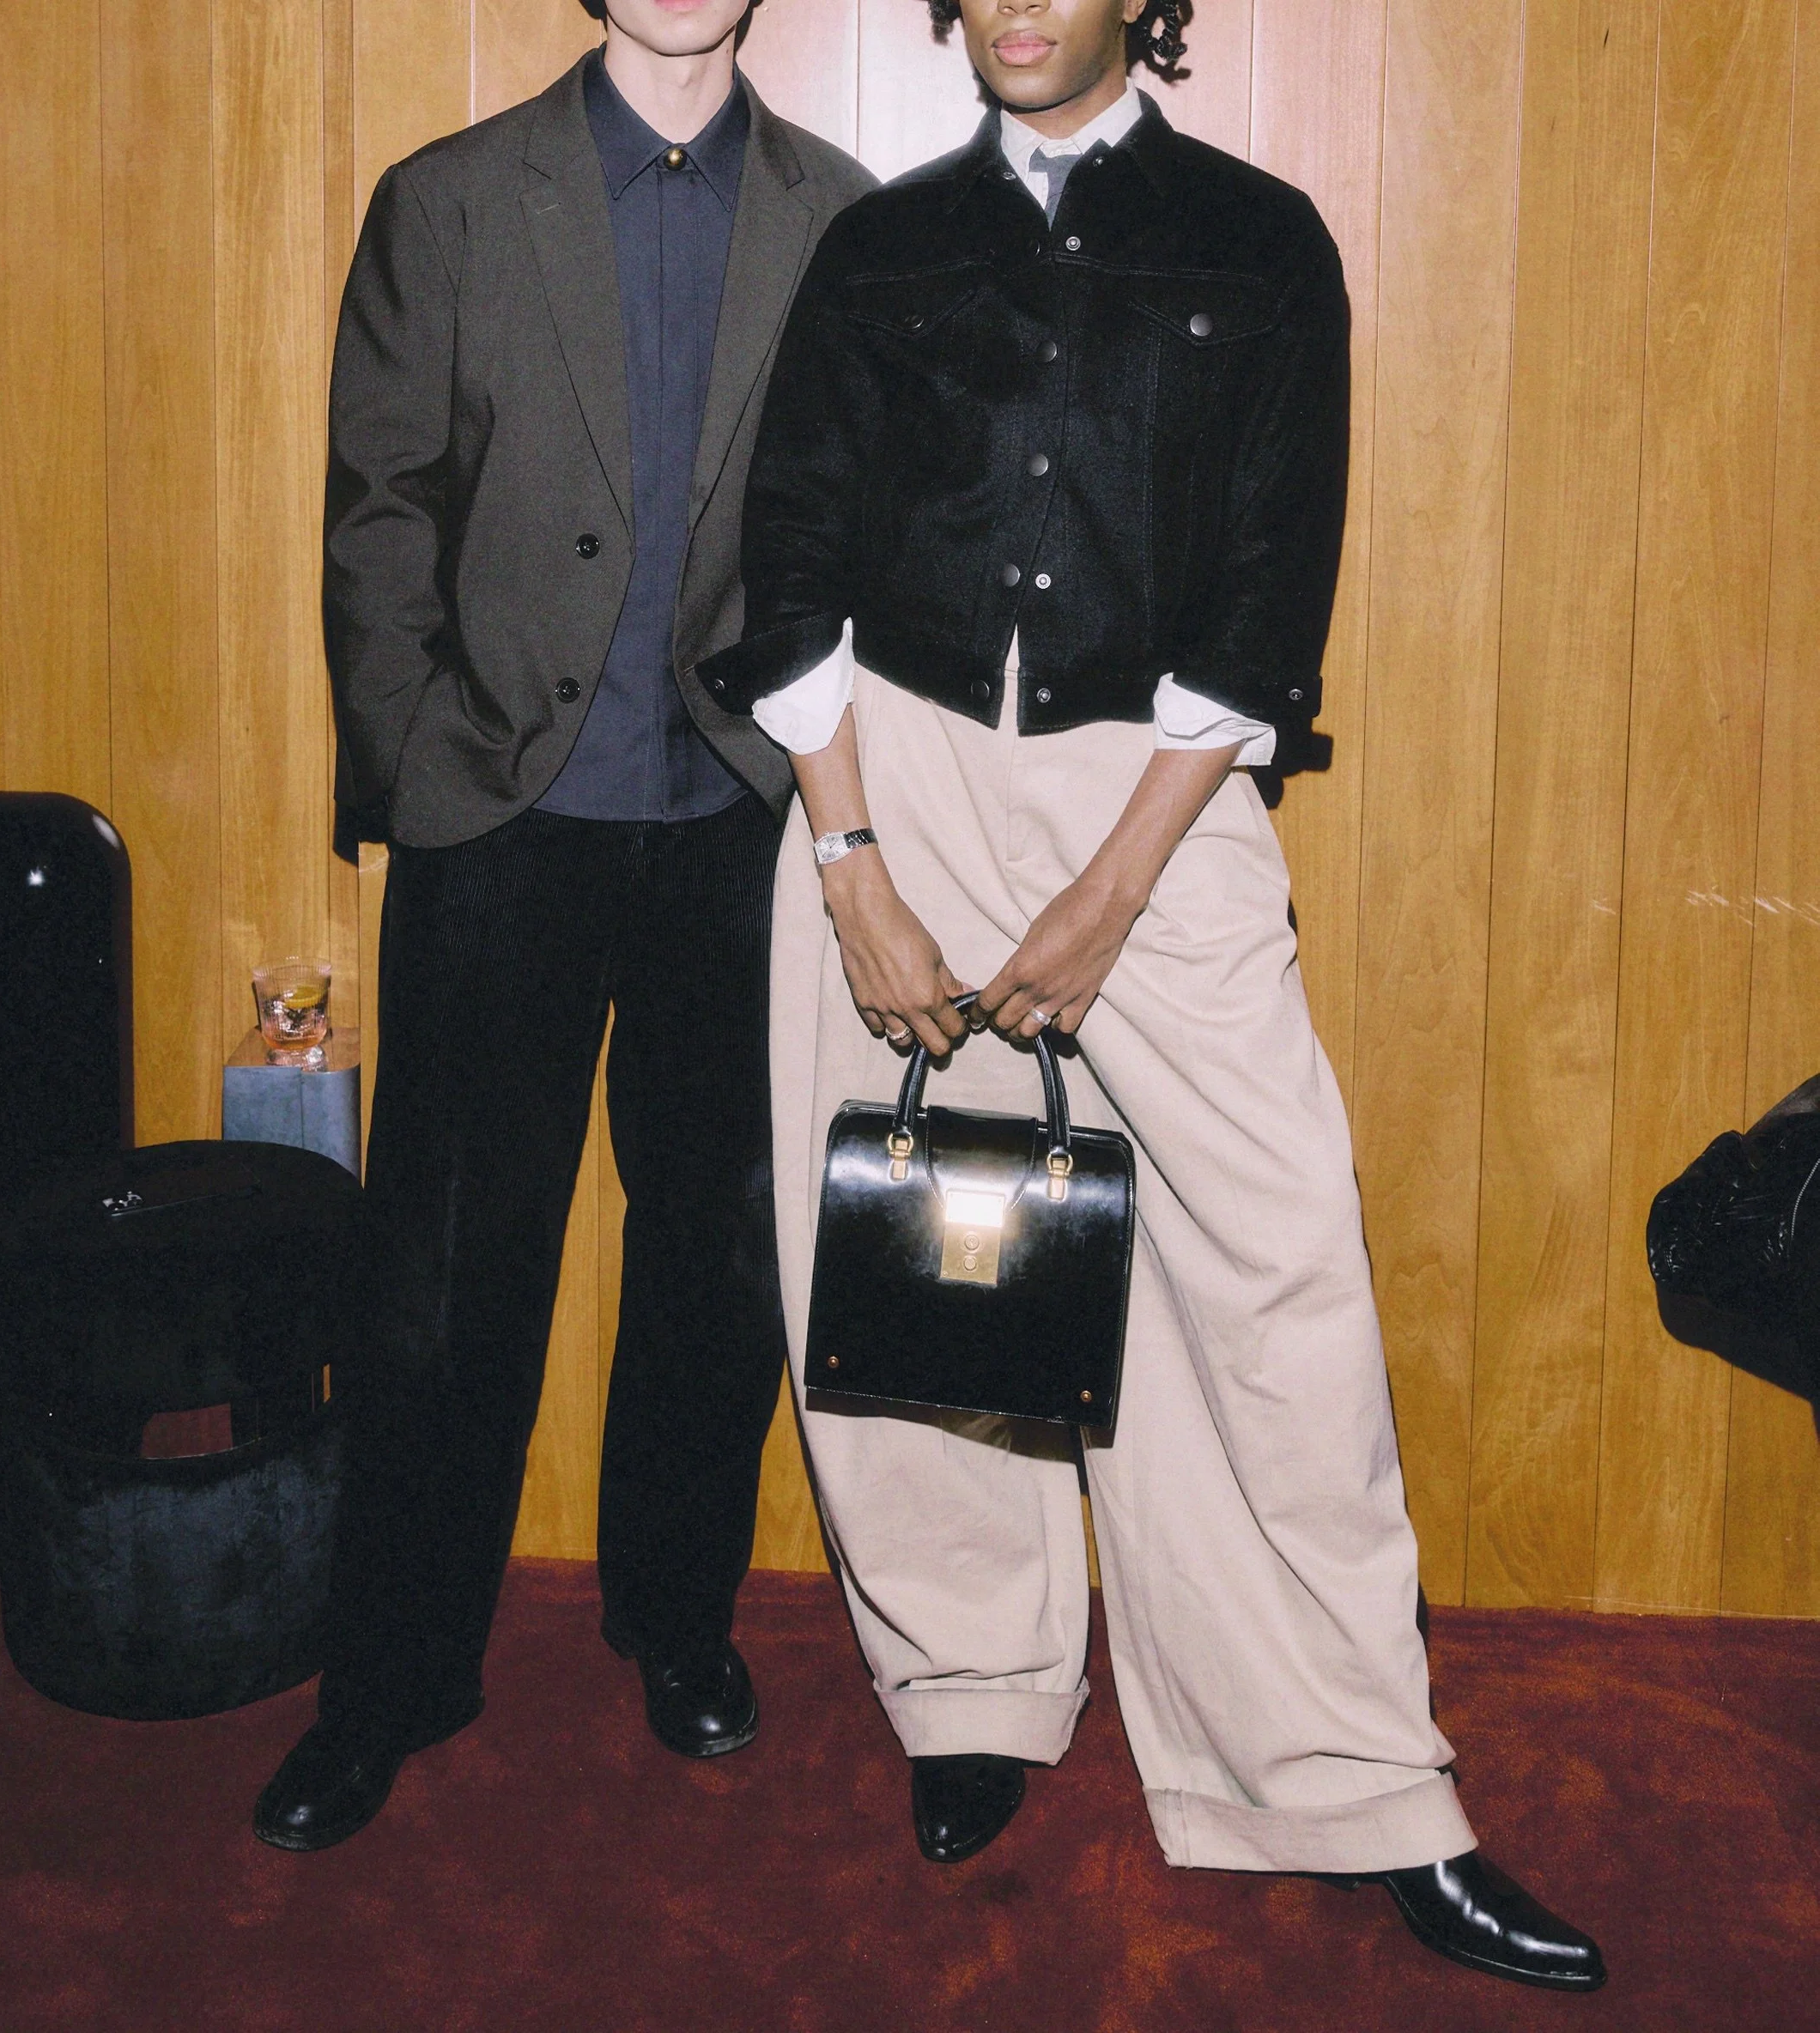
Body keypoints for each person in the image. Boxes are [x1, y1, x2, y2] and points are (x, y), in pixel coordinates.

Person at [698, 0, 1606, 1992]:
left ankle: (1352, 1775)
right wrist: (853, 868)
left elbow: (1272, 588)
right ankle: (970, 1683)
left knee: (1275, 1282)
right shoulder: (880, 247)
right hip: (889, 785)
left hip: (1162, 801)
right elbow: (795, 556)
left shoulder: (1263, 241)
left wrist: (1116, 889)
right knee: (916, 1237)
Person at [254, 0, 874, 1853]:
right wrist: (426, 776)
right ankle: (390, 1677)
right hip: (501, 828)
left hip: (740, 826)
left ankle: (674, 1619)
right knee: (444, 1275)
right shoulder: (449, 199)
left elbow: (858, 529)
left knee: (717, 1259)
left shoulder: (841, 216)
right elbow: (378, 510)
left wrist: (834, 808)